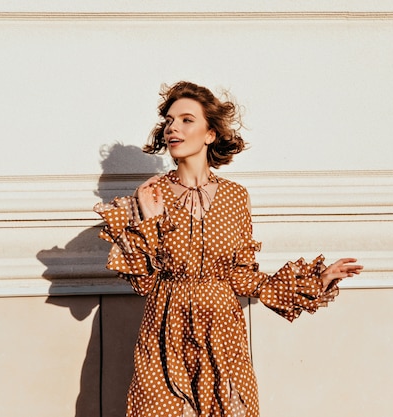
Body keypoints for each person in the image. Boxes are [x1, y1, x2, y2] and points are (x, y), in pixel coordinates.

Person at [94, 81, 363, 417]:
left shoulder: (236, 197)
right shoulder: (150, 195)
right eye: (170, 121)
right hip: (166, 334)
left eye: (186, 119)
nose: (173, 127)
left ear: (210, 134)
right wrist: (150, 221)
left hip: (222, 335)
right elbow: (143, 283)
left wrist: (315, 281)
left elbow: (243, 278)